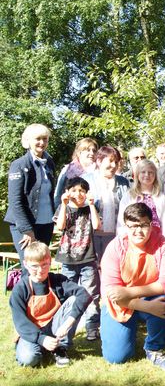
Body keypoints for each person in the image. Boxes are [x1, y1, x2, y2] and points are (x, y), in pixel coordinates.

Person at [100, 203, 165, 370]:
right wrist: (145, 306)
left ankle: (154, 348)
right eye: (133, 226)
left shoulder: (163, 244)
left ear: (151, 224)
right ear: (125, 227)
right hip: (119, 304)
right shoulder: (115, 247)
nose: (138, 231)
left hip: (145, 296)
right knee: (116, 357)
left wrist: (129, 292)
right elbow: (113, 294)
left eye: (143, 225)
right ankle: (126, 332)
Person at [10, 242, 91, 367]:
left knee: (73, 299)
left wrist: (67, 324)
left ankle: (60, 348)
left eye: (44, 265)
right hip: (31, 331)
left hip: (54, 327)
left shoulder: (57, 280)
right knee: (28, 359)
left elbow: (84, 295)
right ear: (25, 264)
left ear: (50, 261)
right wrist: (41, 339)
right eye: (34, 266)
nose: (40, 270)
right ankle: (40, 347)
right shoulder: (20, 289)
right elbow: (20, 322)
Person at [53, 177, 102, 341]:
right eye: (74, 190)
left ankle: (92, 327)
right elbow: (60, 226)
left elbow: (96, 226)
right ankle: (67, 328)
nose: (78, 193)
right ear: (67, 192)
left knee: (91, 295)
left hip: (87, 259)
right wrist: (65, 204)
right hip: (68, 260)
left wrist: (92, 204)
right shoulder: (63, 207)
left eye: (82, 190)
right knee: (69, 295)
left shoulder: (90, 209)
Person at [5, 124, 56, 274]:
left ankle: (42, 298)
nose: (42, 142)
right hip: (24, 226)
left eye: (45, 139)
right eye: (38, 139)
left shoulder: (49, 163)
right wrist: (27, 230)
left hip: (46, 224)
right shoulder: (19, 165)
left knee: (43, 267)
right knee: (31, 268)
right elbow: (15, 201)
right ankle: (24, 298)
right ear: (28, 141)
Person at [83, 145, 130, 262]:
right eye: (110, 161)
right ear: (99, 161)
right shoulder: (86, 180)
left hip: (115, 235)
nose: (114, 166)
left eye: (116, 162)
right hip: (91, 236)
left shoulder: (123, 182)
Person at [117, 159, 165, 240]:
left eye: (150, 172)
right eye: (143, 172)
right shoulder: (129, 196)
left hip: (156, 240)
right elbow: (121, 221)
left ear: (155, 175)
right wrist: (122, 240)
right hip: (134, 239)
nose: (147, 175)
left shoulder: (161, 197)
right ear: (137, 175)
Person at [53, 137, 98, 208]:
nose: (91, 153)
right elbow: (58, 194)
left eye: (94, 151)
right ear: (79, 153)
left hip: (92, 211)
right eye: (88, 150)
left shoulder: (98, 171)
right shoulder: (68, 170)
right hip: (71, 211)